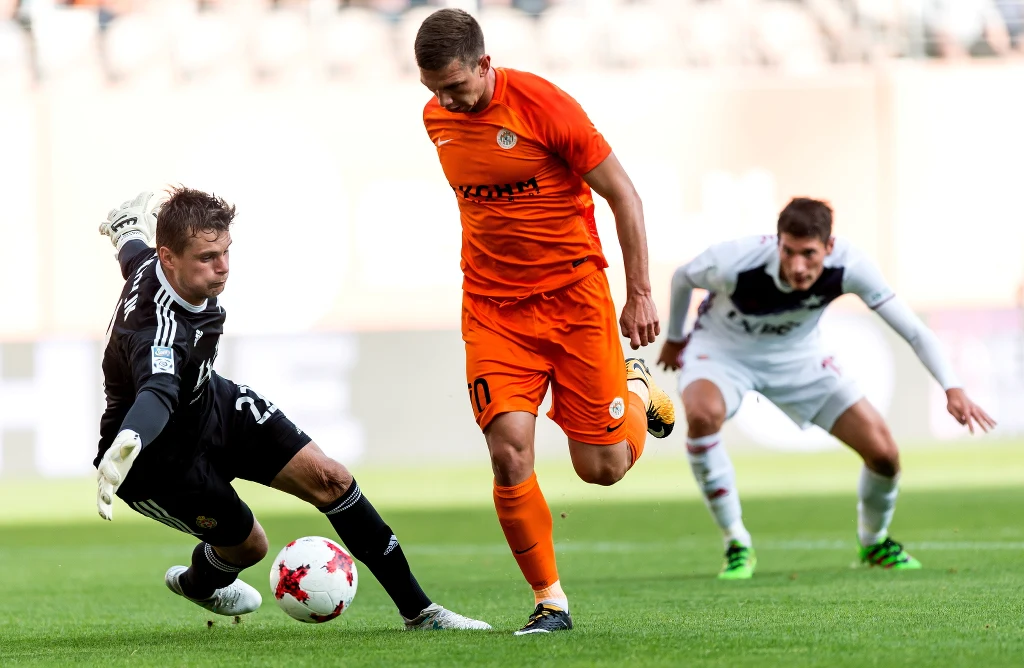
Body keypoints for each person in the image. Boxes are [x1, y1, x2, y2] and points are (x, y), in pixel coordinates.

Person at [95, 188, 490, 630]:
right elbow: (158, 393)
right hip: (157, 459)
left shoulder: (155, 263)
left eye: (226, 252)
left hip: (211, 404)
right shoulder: (158, 331)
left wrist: (126, 229)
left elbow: (135, 256)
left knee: (332, 479)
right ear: (169, 257)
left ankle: (421, 613)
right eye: (208, 258)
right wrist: (130, 438)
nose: (223, 267)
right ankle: (198, 583)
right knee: (250, 548)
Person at [414, 8, 676, 635]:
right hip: (493, 310)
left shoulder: (543, 105)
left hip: (575, 301)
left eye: (456, 85)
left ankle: (634, 387)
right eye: (433, 90)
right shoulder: (436, 119)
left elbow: (624, 194)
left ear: (484, 63)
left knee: (601, 468)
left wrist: (639, 291)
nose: (446, 100)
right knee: (509, 451)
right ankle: (549, 600)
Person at [656, 197, 995, 579]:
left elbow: (914, 331)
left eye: (809, 254)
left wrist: (953, 387)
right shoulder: (736, 260)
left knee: (884, 453)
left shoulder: (850, 265)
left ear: (829, 247)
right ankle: (736, 543)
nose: (798, 266)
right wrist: (673, 338)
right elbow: (682, 277)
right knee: (702, 416)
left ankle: (874, 542)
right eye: (789, 251)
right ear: (777, 242)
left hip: (799, 357)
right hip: (722, 352)